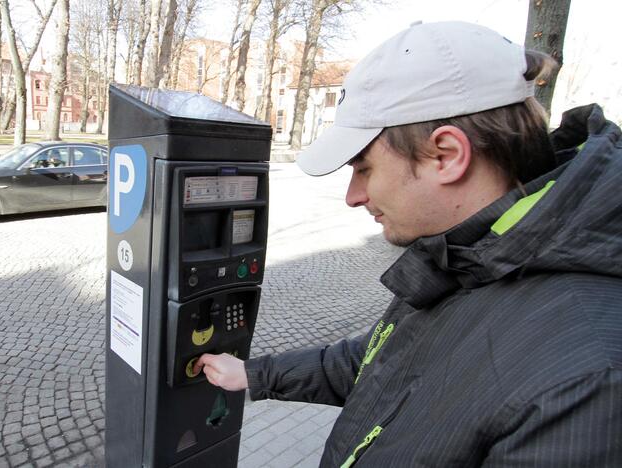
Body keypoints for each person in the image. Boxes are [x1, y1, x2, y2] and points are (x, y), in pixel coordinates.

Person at [193, 21, 622, 467]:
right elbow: (382, 361)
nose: (353, 196)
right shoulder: (472, 256)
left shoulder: (588, 382)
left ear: (447, 155)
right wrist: (255, 374)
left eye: (364, 168)